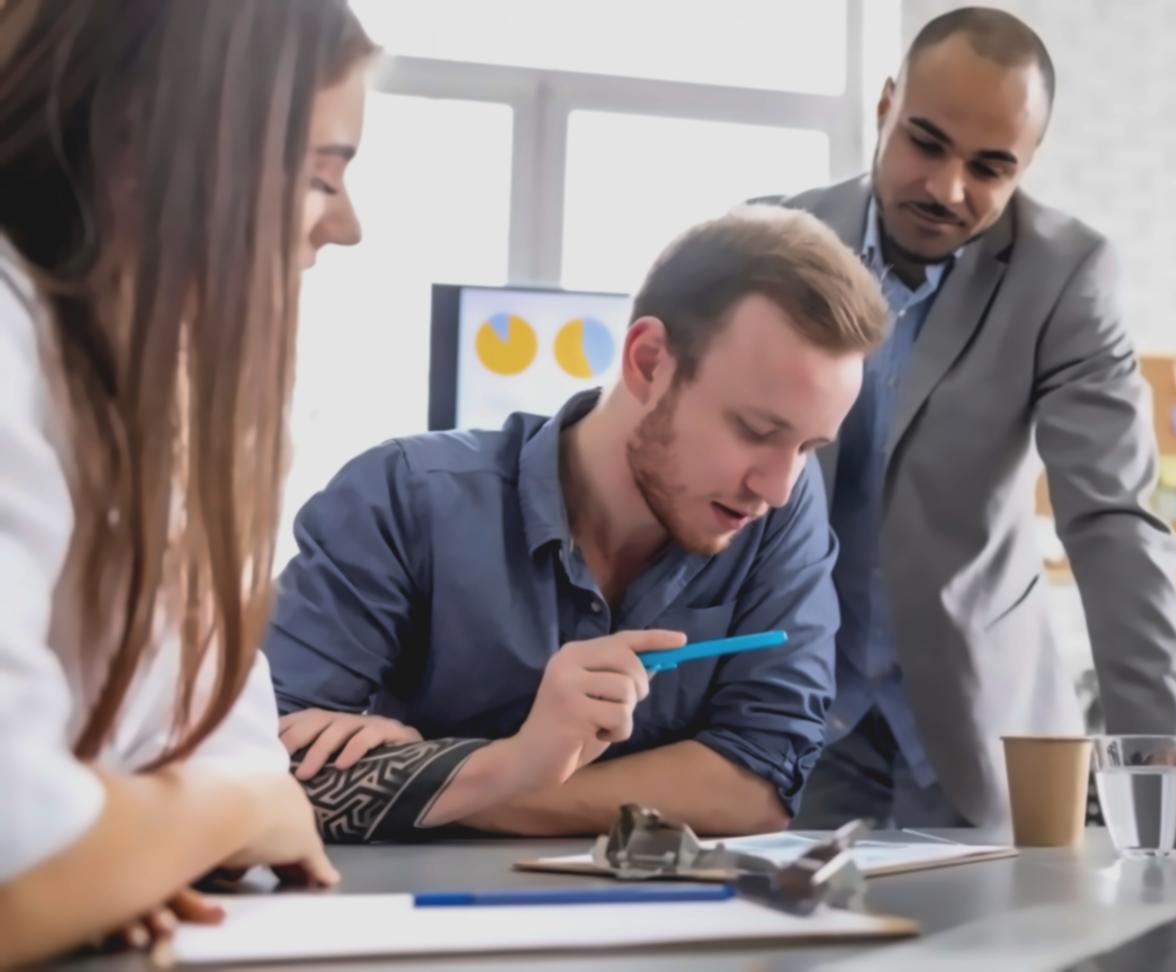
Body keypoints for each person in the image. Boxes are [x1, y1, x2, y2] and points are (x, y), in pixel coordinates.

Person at [767, 7, 1176, 841]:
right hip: (788, 715)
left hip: (975, 728)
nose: (946, 189)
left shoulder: (1065, 274)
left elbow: (1112, 519)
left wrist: (1172, 752)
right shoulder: (772, 244)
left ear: (1028, 161)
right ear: (883, 107)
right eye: (925, 142)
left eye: (989, 167)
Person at [262, 206, 889, 842]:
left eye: (809, 447)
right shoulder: (402, 498)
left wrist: (438, 778)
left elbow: (757, 787)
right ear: (648, 361)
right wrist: (512, 764)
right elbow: (258, 770)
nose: (776, 488)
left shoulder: (778, 508)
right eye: (754, 430)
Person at [0, 0, 375, 964]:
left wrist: (123, 847)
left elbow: (223, 748)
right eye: (317, 175)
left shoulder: (150, 408)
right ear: (149, 142)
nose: (345, 226)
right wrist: (201, 819)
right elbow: (21, 868)